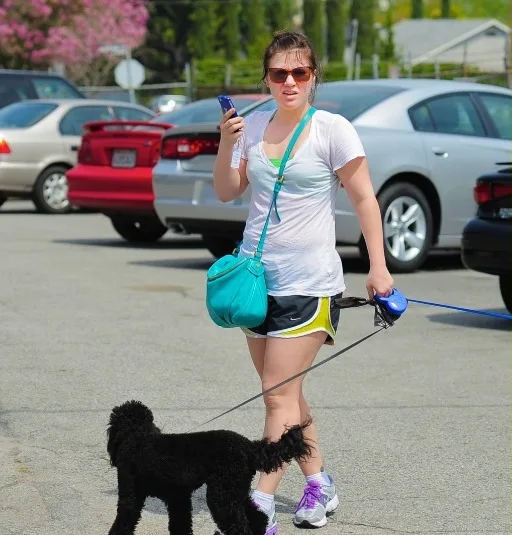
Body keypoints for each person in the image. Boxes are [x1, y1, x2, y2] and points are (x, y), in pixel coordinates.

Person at [213, 31, 394, 533]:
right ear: (266, 79)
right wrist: (228, 142)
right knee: (285, 397)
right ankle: (319, 482)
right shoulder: (250, 127)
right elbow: (228, 191)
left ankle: (260, 502)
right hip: (253, 283)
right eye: (279, 73)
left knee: (276, 395)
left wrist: (378, 267)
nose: (289, 81)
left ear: (314, 77)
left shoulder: (332, 130)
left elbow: (364, 200)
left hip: (310, 284)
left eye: (300, 72)